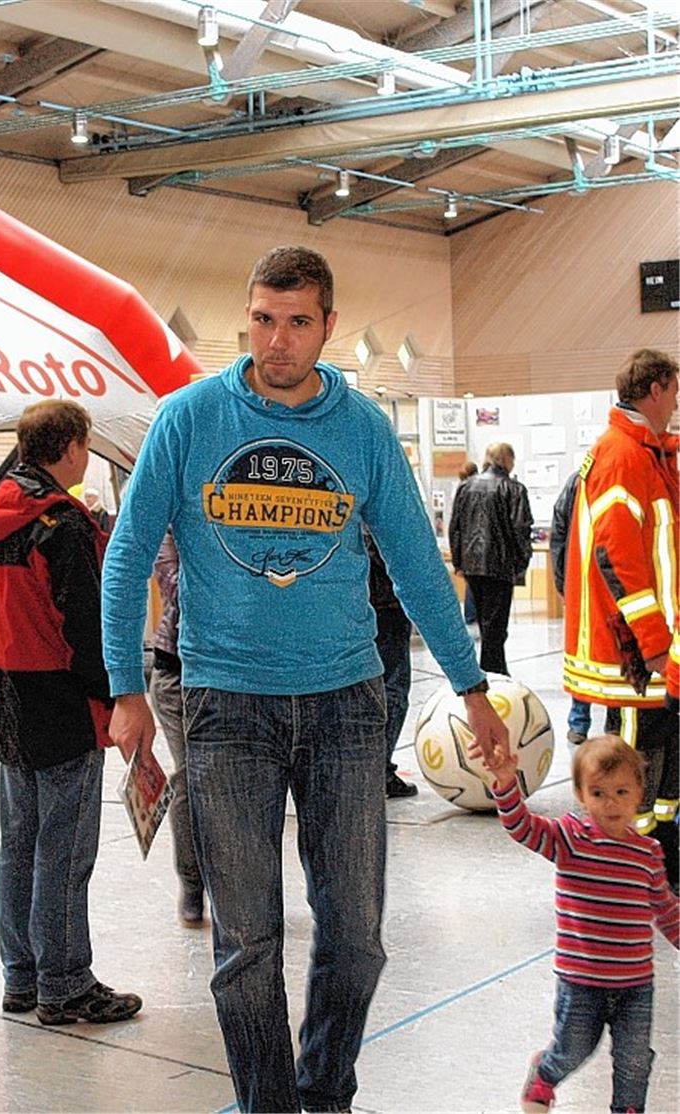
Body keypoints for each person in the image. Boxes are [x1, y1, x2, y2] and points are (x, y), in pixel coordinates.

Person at [100, 245, 508, 1112]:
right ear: (245, 319)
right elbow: (128, 553)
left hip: (347, 707)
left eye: (295, 322)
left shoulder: (360, 430)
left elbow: (417, 567)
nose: (275, 340)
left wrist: (474, 690)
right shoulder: (189, 419)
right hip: (225, 707)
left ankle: (325, 1092)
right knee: (246, 943)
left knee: (355, 936)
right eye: (260, 319)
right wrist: (126, 691)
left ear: (327, 327)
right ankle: (268, 1104)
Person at [0, 400, 143, 1028]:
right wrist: (118, 694)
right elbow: (86, 628)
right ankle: (64, 983)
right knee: (64, 849)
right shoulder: (60, 526)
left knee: (20, 841)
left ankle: (23, 975)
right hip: (59, 698)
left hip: (4, 694)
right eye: (86, 446)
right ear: (69, 447)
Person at [471, 733, 678, 1113]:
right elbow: (522, 828)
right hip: (581, 982)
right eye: (598, 793)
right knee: (573, 1049)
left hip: (635, 984)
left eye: (621, 791)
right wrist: (505, 783)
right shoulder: (570, 839)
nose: (611, 803)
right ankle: (545, 1072)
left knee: (634, 1061)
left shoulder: (647, 853)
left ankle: (628, 1108)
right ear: (581, 796)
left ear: (638, 793)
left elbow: (664, 908)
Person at [562, 348, 679, 891]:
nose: (675, 403)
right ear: (655, 389)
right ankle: (623, 866)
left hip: (653, 651)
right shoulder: (623, 455)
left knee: (664, 762)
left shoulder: (645, 454)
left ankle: (660, 860)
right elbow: (619, 559)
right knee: (632, 767)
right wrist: (652, 644)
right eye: (673, 392)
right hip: (631, 656)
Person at [149, 531, 206, 923]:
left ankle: (242, 888)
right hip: (177, 674)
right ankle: (192, 882)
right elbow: (176, 585)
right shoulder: (173, 528)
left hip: (235, 674)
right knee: (190, 778)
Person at [448, 442, 534, 675]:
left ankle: (491, 668)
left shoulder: (465, 487)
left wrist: (458, 561)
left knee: (484, 621)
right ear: (507, 461)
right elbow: (521, 528)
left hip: (471, 564)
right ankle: (492, 671)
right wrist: (522, 561)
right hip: (500, 564)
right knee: (496, 623)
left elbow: (455, 526)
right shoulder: (513, 489)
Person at [364, 527, 417, 799]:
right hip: (388, 605)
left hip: (362, 606)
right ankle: (380, 770)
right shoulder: (377, 510)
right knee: (394, 688)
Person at [550, 470, 593, 745]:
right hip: (587, 583)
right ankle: (581, 720)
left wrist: (562, 580)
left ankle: (579, 722)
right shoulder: (580, 481)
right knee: (585, 652)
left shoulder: (578, 480)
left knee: (584, 650)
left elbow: (558, 532)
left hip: (583, 582)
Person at [456, 460, 479, 625]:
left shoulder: (461, 491)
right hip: (482, 548)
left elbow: (455, 527)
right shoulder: (479, 490)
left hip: (467, 548)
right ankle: (475, 618)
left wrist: (457, 561)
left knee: (471, 586)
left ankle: (470, 618)